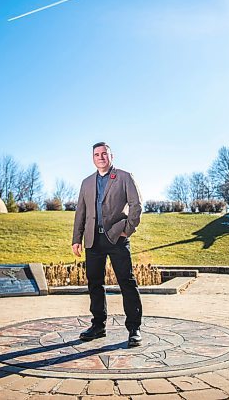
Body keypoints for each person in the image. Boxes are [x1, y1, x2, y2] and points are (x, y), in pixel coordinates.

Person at [72, 142, 143, 347]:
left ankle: (134, 328)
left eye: (104, 153)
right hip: (93, 240)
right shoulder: (86, 183)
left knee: (126, 282)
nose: (101, 157)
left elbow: (136, 205)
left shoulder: (124, 177)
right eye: (97, 154)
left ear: (111, 156)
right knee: (94, 283)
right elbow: (80, 213)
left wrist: (127, 230)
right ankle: (98, 326)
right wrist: (76, 239)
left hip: (116, 238)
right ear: (92, 158)